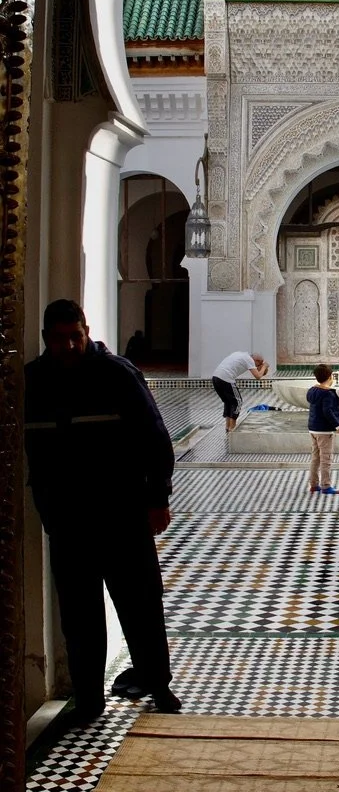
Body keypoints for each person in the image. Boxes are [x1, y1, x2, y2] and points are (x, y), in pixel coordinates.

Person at [24, 299, 180, 724]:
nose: (70, 346)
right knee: (79, 615)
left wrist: (158, 499)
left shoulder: (117, 374)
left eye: (76, 336)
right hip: (68, 521)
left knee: (141, 604)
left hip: (123, 515)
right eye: (60, 339)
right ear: (45, 339)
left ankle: (157, 683)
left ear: (86, 330)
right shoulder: (33, 381)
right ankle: (89, 699)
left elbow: (156, 439)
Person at [307, 363, 339, 495]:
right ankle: (326, 486)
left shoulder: (312, 390)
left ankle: (313, 484)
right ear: (330, 377)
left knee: (315, 458)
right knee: (326, 459)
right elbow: (328, 411)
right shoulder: (327, 393)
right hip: (324, 431)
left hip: (313, 429)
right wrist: (338, 426)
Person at [211, 350, 270, 432]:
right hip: (226, 378)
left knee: (228, 402)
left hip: (215, 378)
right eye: (258, 364)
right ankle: (232, 428)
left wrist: (262, 367)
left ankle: (227, 427)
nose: (256, 367)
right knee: (237, 402)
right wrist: (264, 366)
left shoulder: (239, 354)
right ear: (257, 360)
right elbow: (258, 376)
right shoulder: (249, 360)